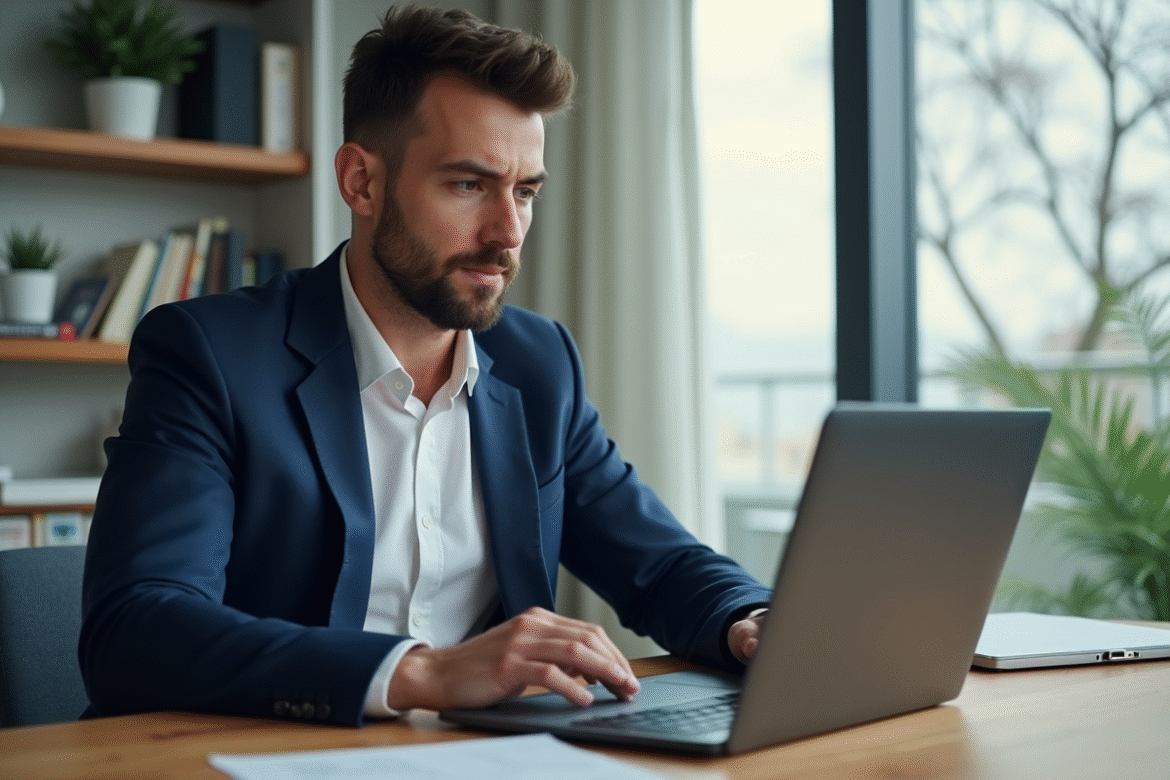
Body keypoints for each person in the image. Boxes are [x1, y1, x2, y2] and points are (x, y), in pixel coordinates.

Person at [80, 5, 771, 726]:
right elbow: (136, 629)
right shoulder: (210, 354)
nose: (508, 233)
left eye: (526, 191)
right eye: (469, 185)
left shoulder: (540, 365)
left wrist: (750, 619)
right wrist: (422, 672)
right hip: (259, 754)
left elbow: (658, 564)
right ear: (362, 183)